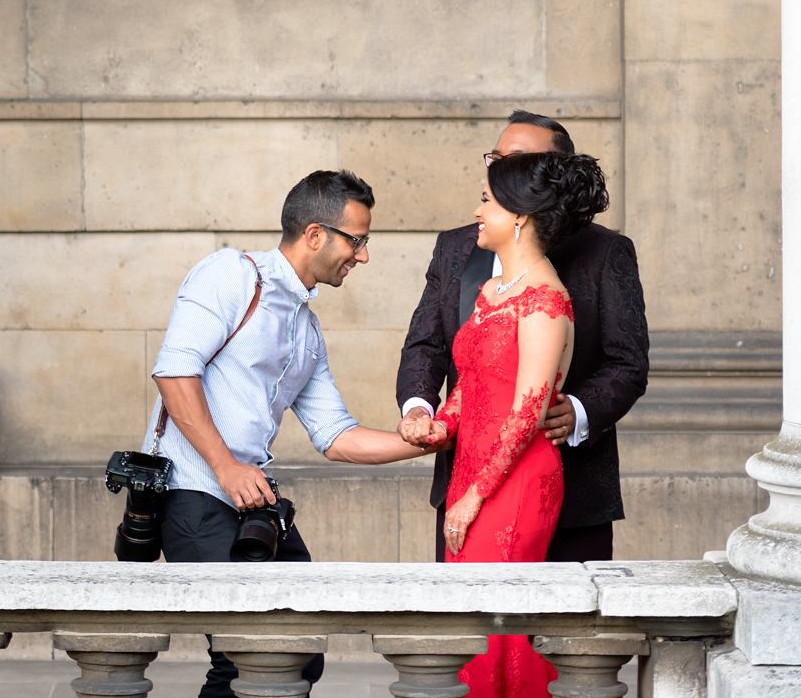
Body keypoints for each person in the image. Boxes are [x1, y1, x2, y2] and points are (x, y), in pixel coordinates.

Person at [144, 169, 430, 698]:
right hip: (194, 491)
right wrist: (227, 466)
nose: (363, 256)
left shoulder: (306, 327)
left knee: (298, 652)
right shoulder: (231, 274)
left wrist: (429, 440)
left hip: (251, 500)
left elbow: (336, 435)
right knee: (248, 655)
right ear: (316, 234)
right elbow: (173, 373)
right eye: (358, 240)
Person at [400, 151, 611, 695]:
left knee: (501, 630)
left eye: (486, 201)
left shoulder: (545, 301)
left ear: (517, 216)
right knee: (468, 620)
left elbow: (527, 412)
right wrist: (439, 427)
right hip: (473, 472)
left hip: (514, 482)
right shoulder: (493, 293)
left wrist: (472, 496)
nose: (477, 210)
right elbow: (469, 386)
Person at [396, 111, 649, 563]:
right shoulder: (456, 247)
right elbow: (427, 345)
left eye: (516, 161)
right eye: (495, 157)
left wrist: (578, 411)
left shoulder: (606, 252)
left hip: (571, 494)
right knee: (468, 621)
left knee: (553, 628)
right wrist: (422, 412)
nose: (498, 169)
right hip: (463, 479)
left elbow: (628, 362)